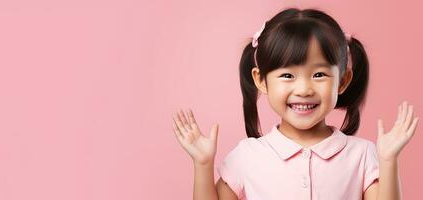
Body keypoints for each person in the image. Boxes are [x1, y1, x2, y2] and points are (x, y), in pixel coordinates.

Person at [172, 7, 419, 200]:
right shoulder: (246, 157)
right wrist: (203, 164)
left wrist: (388, 161)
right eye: (288, 75)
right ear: (261, 80)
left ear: (342, 81)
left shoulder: (362, 155)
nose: (303, 89)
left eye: (319, 74)